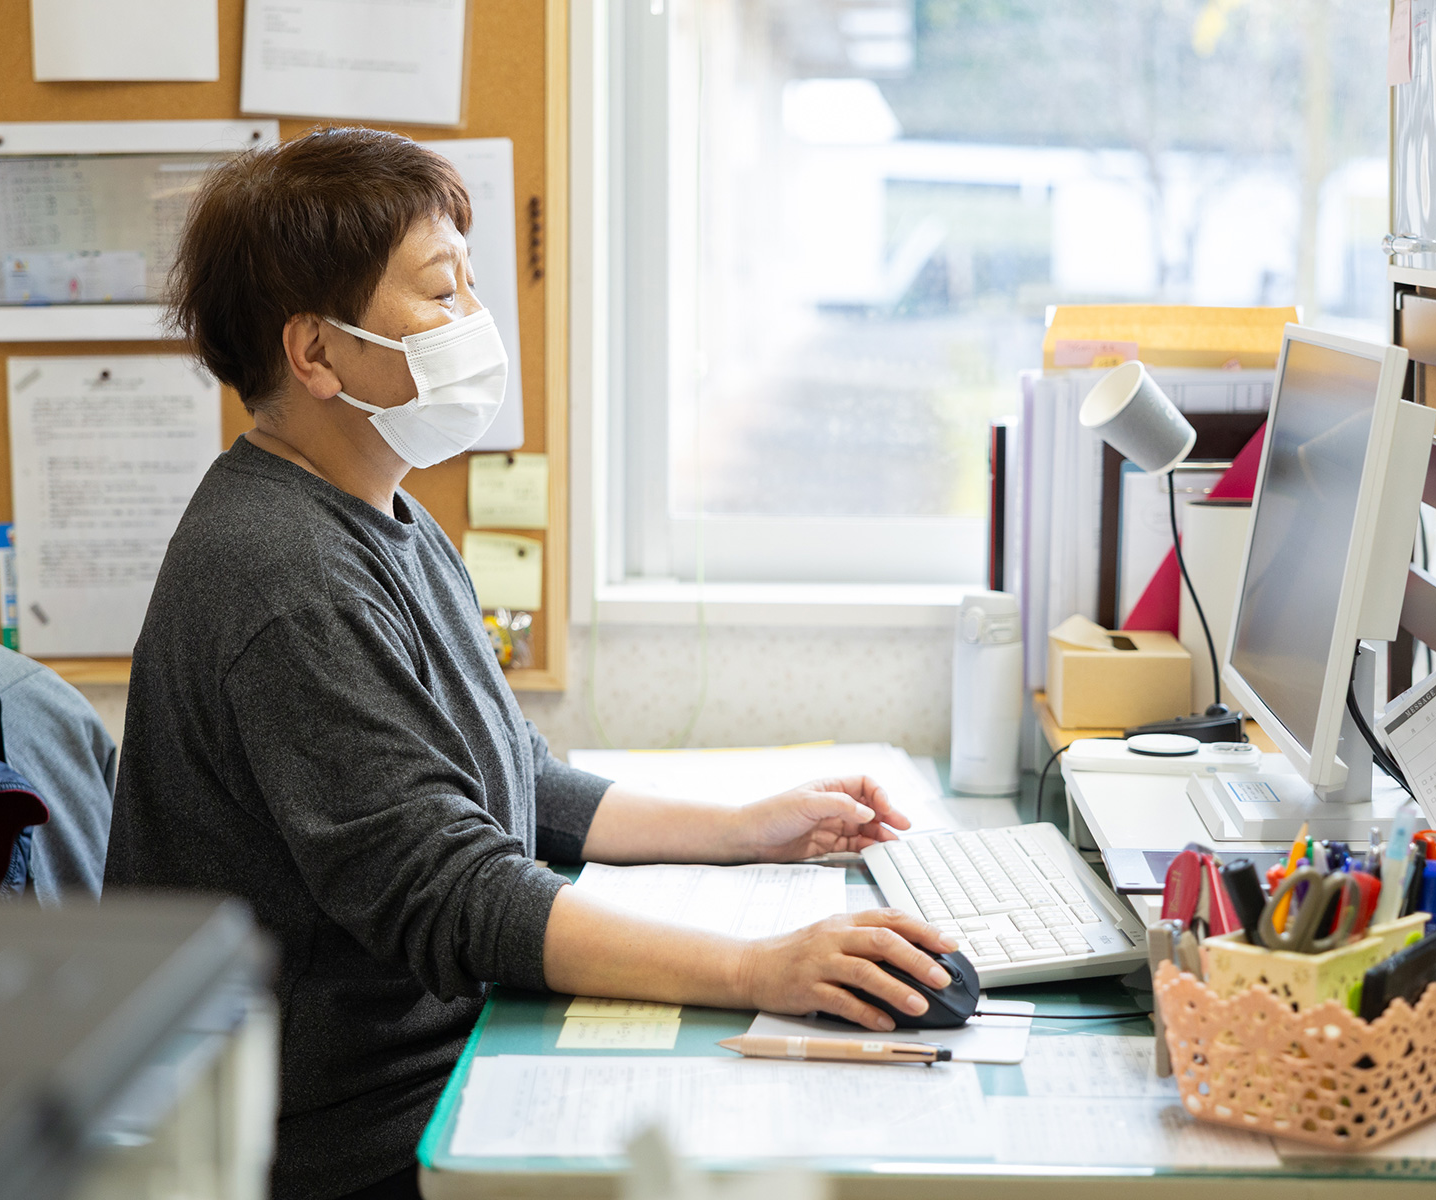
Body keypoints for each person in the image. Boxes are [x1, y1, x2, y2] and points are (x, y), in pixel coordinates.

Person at [104, 126, 958, 1200]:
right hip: (345, 1139)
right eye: (437, 293)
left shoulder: (384, 516)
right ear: (316, 353)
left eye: (469, 285)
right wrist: (756, 969)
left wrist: (746, 828)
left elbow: (506, 777)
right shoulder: (283, 578)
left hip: (432, 1068)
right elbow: (451, 889)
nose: (474, 321)